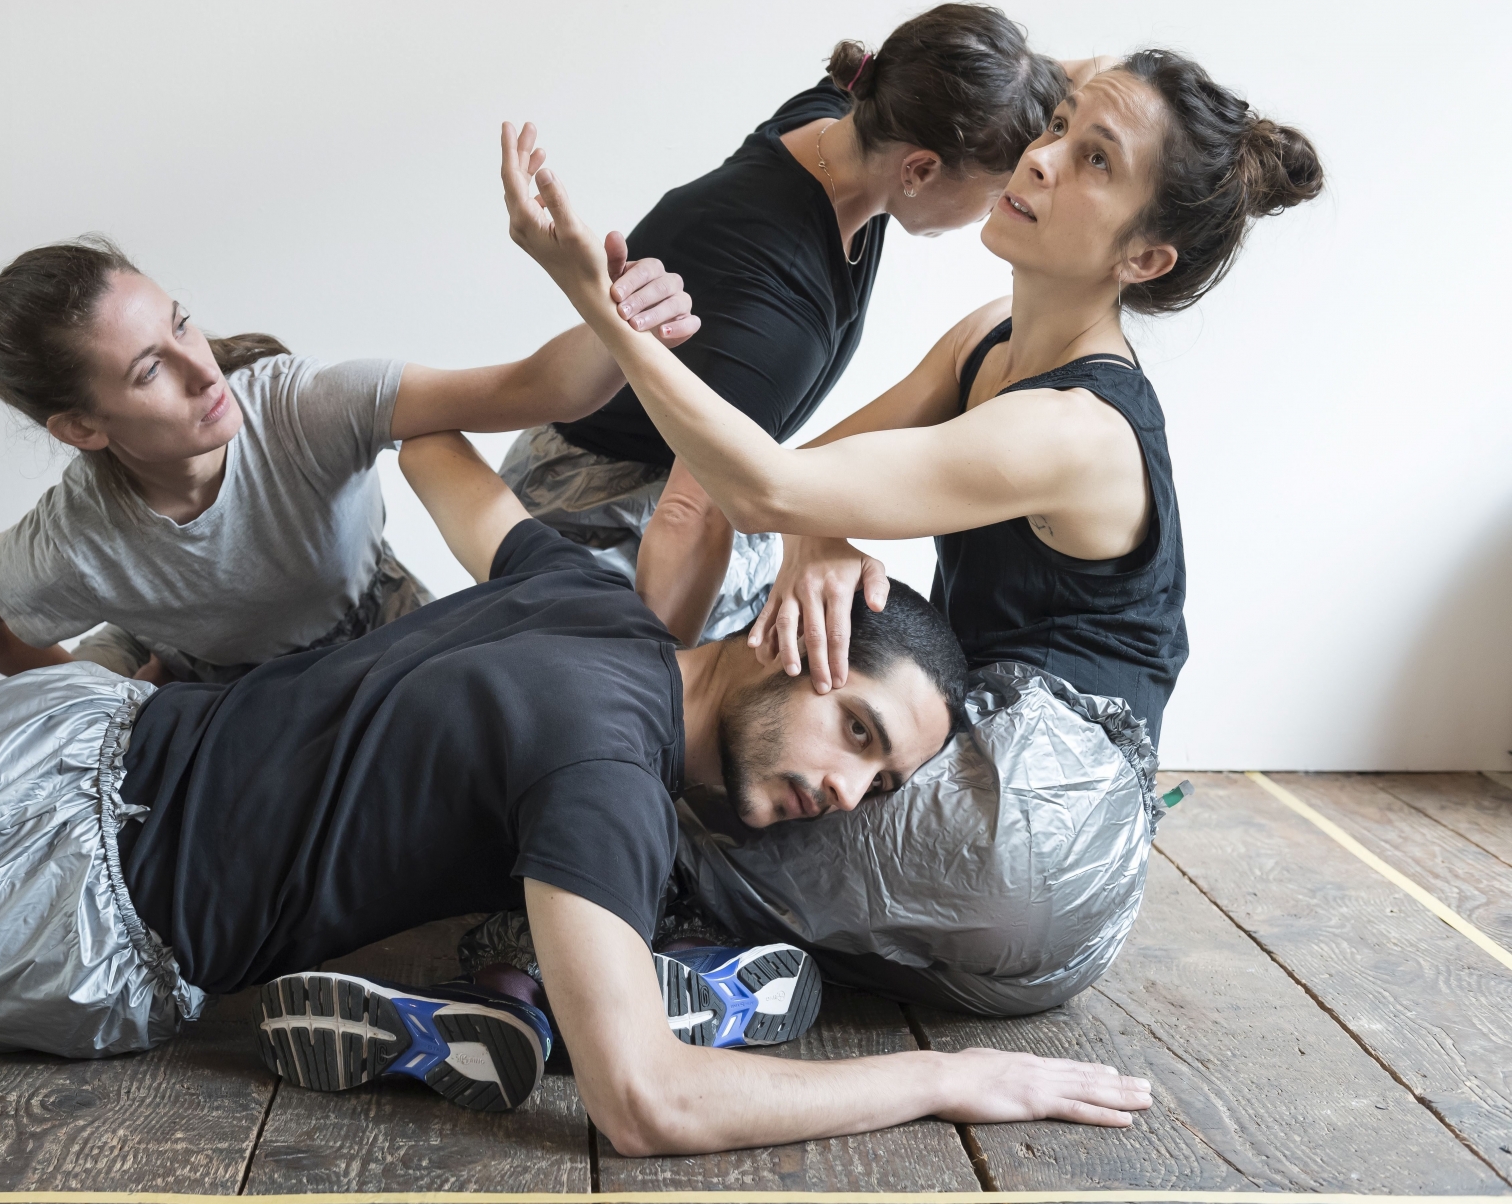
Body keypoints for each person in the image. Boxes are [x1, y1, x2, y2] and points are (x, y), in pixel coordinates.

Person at [0, 431, 1154, 1153]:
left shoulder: (577, 593)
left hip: (49, 748)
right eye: (861, 733)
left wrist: (501, 350)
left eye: (883, 781)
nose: (844, 794)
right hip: (61, 934)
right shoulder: (606, 787)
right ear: (795, 644)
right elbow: (647, 1101)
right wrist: (948, 1083)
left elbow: (445, 470)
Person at [0, 233, 699, 819]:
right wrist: (102, 686)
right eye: (149, 371)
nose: (196, 367)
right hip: (203, 699)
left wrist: (613, 318)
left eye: (180, 323)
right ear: (80, 426)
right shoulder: (76, 538)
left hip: (370, 661)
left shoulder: (300, 403)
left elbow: (531, 386)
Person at [499, 48, 1324, 745]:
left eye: (1094, 159)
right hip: (955, 715)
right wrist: (814, 529)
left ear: (1145, 260)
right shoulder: (990, 333)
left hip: (1046, 791)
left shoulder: (1075, 429)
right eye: (1058, 125)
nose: (1039, 156)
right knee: (739, 678)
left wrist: (609, 314)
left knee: (699, 749)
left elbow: (763, 488)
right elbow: (806, 480)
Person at [497, 3, 1105, 644]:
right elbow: (688, 512)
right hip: (595, 515)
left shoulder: (850, 116)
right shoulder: (783, 310)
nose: (995, 208)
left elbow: (1026, 81)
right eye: (992, 191)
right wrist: (655, 697)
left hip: (617, 468)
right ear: (920, 169)